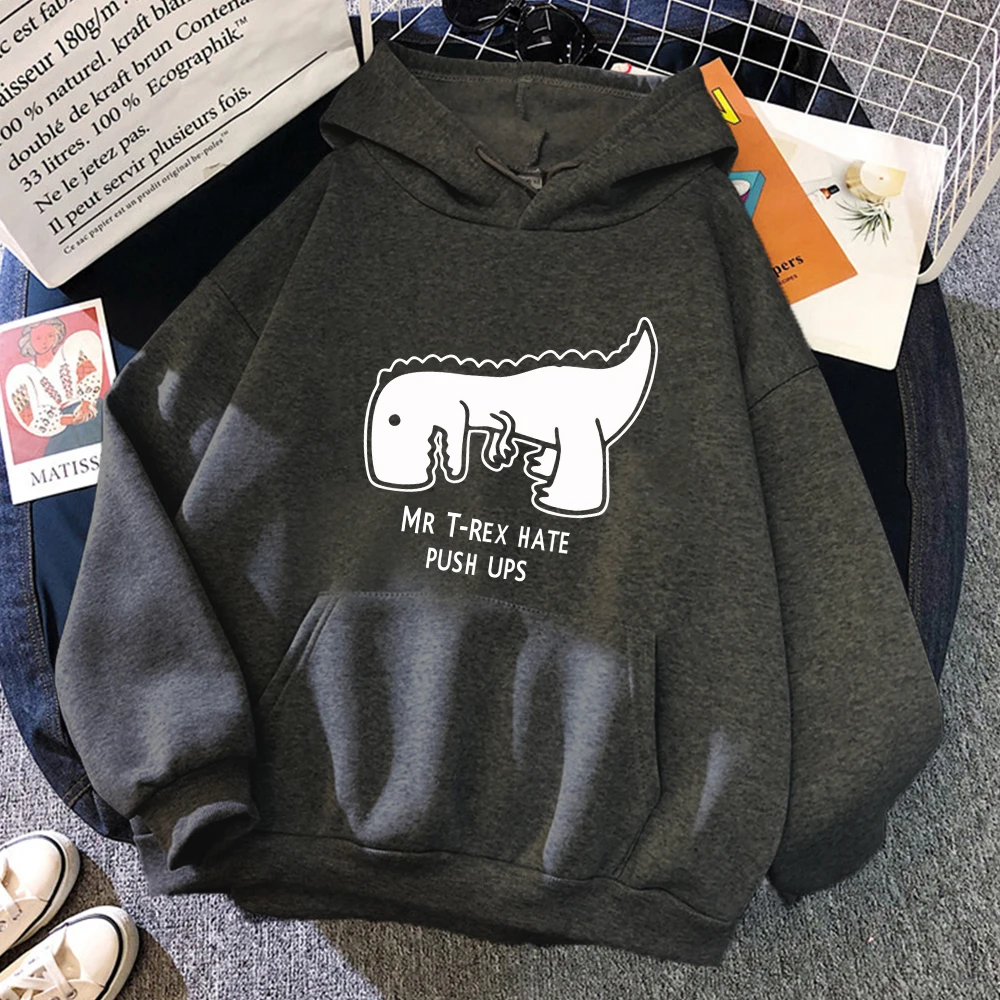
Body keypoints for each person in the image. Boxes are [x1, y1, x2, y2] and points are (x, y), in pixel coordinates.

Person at [5, 317, 104, 457]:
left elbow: (89, 373)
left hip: (92, 414)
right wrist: (69, 419)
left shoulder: (71, 350)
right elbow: (30, 417)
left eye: (50, 336)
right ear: (29, 341)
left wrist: (86, 404)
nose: (44, 342)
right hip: (63, 430)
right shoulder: (22, 374)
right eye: (38, 338)